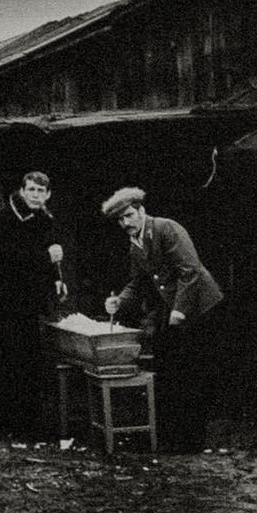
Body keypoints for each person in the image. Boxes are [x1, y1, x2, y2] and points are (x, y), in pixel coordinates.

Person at [102, 186, 225, 452]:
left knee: (192, 373)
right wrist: (119, 302)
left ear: (141, 210)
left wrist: (178, 311)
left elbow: (190, 271)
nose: (126, 223)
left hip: (199, 307)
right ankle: (172, 436)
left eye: (130, 215)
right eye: (121, 219)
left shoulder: (166, 229)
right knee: (170, 371)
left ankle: (192, 441)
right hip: (171, 311)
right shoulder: (135, 245)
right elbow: (138, 283)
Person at [0, 171, 68, 432]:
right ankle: (7, 421)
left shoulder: (45, 219)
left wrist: (55, 279)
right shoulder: (6, 219)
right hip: (7, 299)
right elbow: (9, 260)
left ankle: (29, 420)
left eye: (40, 191)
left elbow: (48, 257)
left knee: (31, 357)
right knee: (11, 356)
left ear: (48, 195)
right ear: (22, 191)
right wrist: (46, 257)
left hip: (30, 300)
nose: (35, 195)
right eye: (31, 190)